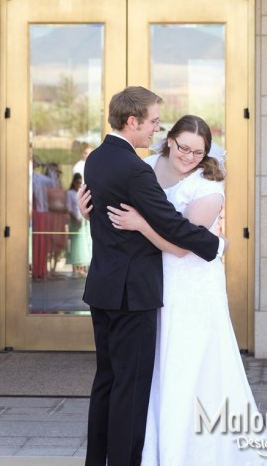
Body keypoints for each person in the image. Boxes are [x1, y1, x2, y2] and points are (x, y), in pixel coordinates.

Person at [80, 114, 267, 466]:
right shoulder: (144, 166)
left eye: (198, 152)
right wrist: (89, 214)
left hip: (189, 285)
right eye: (183, 147)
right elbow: (115, 212)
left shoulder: (207, 185)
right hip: (151, 282)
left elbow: (184, 246)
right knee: (151, 369)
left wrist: (142, 226)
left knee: (186, 365)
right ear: (169, 140)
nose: (189, 157)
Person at [81, 87, 225, 466]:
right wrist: (214, 246)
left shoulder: (96, 159)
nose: (155, 131)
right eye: (154, 123)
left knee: (107, 382)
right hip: (134, 294)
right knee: (130, 389)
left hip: (103, 287)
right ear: (133, 121)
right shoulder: (133, 168)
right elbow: (170, 224)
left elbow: (100, 211)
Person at [65, 172, 91, 277]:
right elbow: (68, 208)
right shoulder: (70, 193)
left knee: (83, 243)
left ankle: (81, 267)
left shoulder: (80, 192)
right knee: (75, 243)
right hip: (75, 220)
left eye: (80, 182)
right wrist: (76, 218)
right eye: (77, 182)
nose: (79, 184)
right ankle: (75, 267)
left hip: (82, 221)